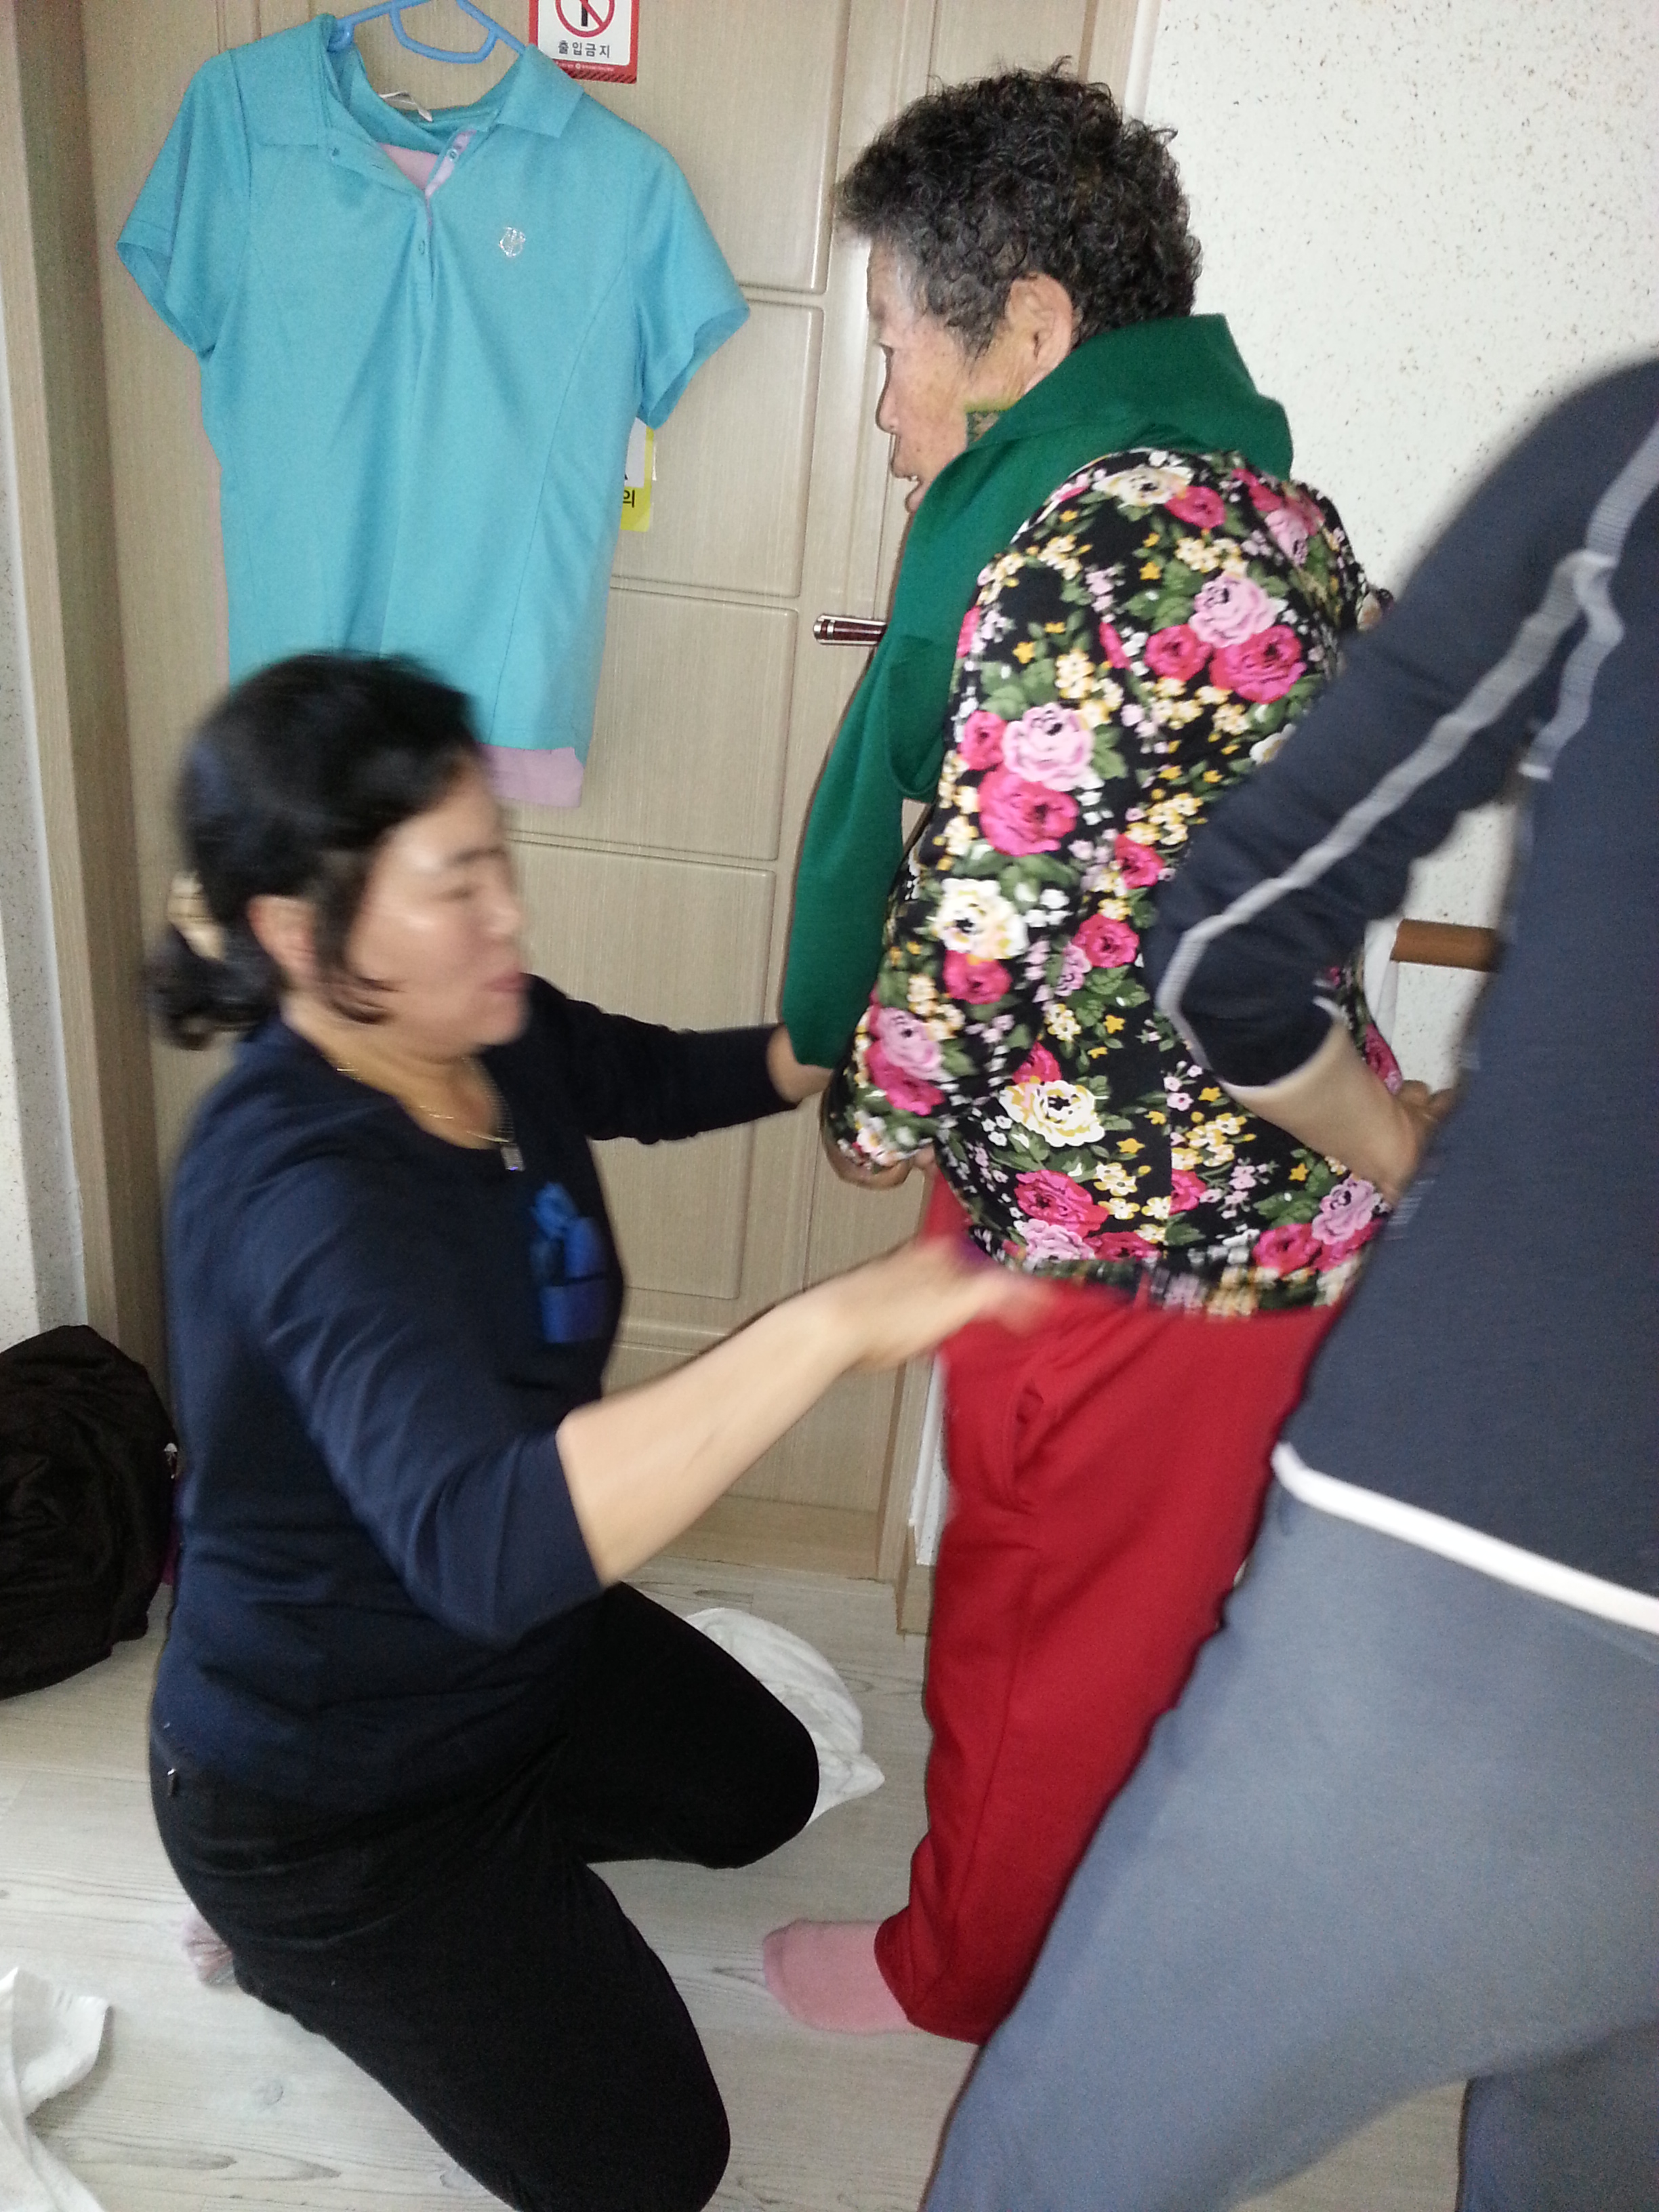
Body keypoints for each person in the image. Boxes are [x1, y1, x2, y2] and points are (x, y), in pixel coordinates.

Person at [145, 653, 1042, 2212]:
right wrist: (827, 1327)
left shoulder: (476, 1029)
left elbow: (654, 1073)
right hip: (336, 1793)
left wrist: (857, 1047)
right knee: (653, 2169)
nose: (508, 913)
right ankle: (307, 1950)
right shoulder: (307, 1194)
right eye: (454, 885)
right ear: (297, 933)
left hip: (514, 1667)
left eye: (497, 859)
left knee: (761, 1791)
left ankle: (481, 1923)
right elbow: (488, 1545)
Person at [924, 361, 1659, 2211]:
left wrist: (1401, 1144)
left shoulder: (1634, 463)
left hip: (1501, 1560)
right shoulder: (1283, 524)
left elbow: (1229, 945)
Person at [764, 68, 1408, 2046]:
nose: (883, 403)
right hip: (1235, 1194)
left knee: (1037, 1625)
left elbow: (988, 907)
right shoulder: (1274, 509)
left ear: (1030, 331)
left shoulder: (1086, 540)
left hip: (1132, 1234)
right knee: (1130, 1625)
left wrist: (871, 1110)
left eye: (896, 345)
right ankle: (1102, 1935)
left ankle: (961, 1979)